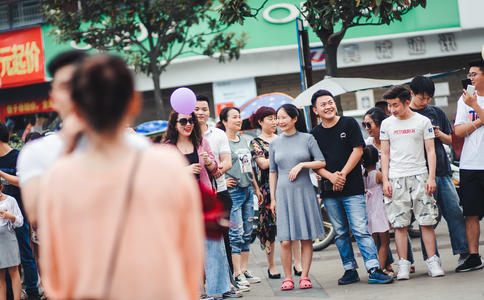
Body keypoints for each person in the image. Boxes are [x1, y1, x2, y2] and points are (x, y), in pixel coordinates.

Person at [37, 54, 204, 299]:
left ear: (75, 103)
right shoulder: (169, 166)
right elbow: (191, 253)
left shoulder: (58, 177)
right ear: (134, 102)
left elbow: (54, 272)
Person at [310, 89, 393, 285]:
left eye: (330, 102)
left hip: (353, 187)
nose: (328, 106)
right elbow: (315, 162)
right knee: (339, 232)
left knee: (360, 230)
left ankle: (374, 268)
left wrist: (343, 174)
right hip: (329, 191)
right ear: (315, 111)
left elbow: (358, 150)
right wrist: (331, 177)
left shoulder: (349, 124)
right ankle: (349, 269)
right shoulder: (314, 134)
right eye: (323, 104)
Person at [164, 111, 234, 299]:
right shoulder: (167, 148)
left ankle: (219, 289)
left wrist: (210, 162)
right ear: (174, 124)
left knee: (214, 244)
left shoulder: (202, 143)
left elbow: (216, 172)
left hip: (205, 200)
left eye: (191, 121)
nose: (188, 124)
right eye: (183, 121)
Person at [381, 85, 444, 280]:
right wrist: (385, 180)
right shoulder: (386, 124)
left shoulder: (423, 121)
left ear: (407, 102)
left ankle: (433, 261)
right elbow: (384, 153)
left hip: (420, 175)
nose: (392, 109)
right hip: (396, 178)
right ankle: (404, 265)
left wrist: (431, 177)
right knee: (399, 224)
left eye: (395, 105)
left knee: (426, 221)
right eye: (389, 106)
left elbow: (431, 151)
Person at [409, 75, 470, 268]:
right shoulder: (406, 115)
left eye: (429, 98)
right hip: (419, 174)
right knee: (425, 219)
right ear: (412, 94)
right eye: (422, 98)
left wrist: (439, 134)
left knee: (454, 212)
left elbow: (451, 139)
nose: (426, 102)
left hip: (442, 172)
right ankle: (431, 259)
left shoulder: (436, 112)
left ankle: (464, 253)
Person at [268, 104, 325, 291]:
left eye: (284, 117)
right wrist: (273, 198)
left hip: (304, 191)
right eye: (278, 117)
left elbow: (321, 161)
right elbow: (273, 172)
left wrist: (302, 165)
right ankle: (287, 277)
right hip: (283, 193)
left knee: (305, 237)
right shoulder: (274, 143)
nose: (280, 121)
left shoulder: (307, 138)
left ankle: (305, 276)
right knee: (285, 239)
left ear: (294, 119)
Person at [194, 97, 247, 296]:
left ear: (209, 111)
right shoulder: (186, 134)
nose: (200, 112)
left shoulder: (217, 134)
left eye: (204, 109)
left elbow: (226, 161)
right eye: (196, 109)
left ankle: (228, 283)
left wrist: (216, 170)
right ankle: (203, 285)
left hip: (219, 191)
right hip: (196, 195)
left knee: (223, 239)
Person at [363, 107, 415, 274]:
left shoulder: (391, 141)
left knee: (400, 225)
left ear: (380, 124)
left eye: (369, 124)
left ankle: (407, 261)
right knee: (386, 233)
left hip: (394, 187)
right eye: (364, 124)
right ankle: (384, 265)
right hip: (380, 193)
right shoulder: (367, 145)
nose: (367, 128)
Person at [217, 107, 262, 288]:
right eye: (234, 117)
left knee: (248, 231)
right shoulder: (223, 142)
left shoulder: (244, 139)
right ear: (225, 121)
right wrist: (223, 180)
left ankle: (244, 270)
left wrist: (256, 187)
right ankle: (236, 273)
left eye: (239, 116)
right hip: (234, 192)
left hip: (248, 190)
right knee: (235, 233)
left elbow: (249, 166)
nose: (238, 119)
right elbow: (217, 165)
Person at [0, 122, 40, 300]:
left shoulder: (19, 156)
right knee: (5, 260)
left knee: (25, 253)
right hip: (2, 220)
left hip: (19, 214)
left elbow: (22, 181)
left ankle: (32, 292)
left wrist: (1, 173)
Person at [453, 60, 484, 272]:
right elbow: (458, 131)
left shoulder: (471, 102)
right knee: (470, 212)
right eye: (469, 74)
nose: (470, 78)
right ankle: (474, 256)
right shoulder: (463, 100)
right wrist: (478, 121)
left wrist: (476, 107)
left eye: (474, 74)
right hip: (470, 163)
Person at [248, 106, 281, 279]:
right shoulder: (255, 142)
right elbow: (262, 164)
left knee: (291, 227)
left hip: (285, 186)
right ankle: (271, 265)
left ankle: (297, 263)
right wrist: (283, 156)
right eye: (269, 118)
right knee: (269, 229)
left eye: (275, 117)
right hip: (267, 190)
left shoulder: (282, 138)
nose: (274, 121)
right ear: (260, 122)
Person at [362, 145, 391, 275]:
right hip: (379, 210)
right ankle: (381, 267)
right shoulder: (378, 175)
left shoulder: (361, 174)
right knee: (384, 241)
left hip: (367, 209)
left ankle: (372, 266)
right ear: (377, 159)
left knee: (372, 241)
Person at [0, 179, 24, 300]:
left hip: (8, 238)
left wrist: (11, 217)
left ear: (1, 187)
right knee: (0, 275)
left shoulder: (10, 200)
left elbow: (20, 221)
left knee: (14, 270)